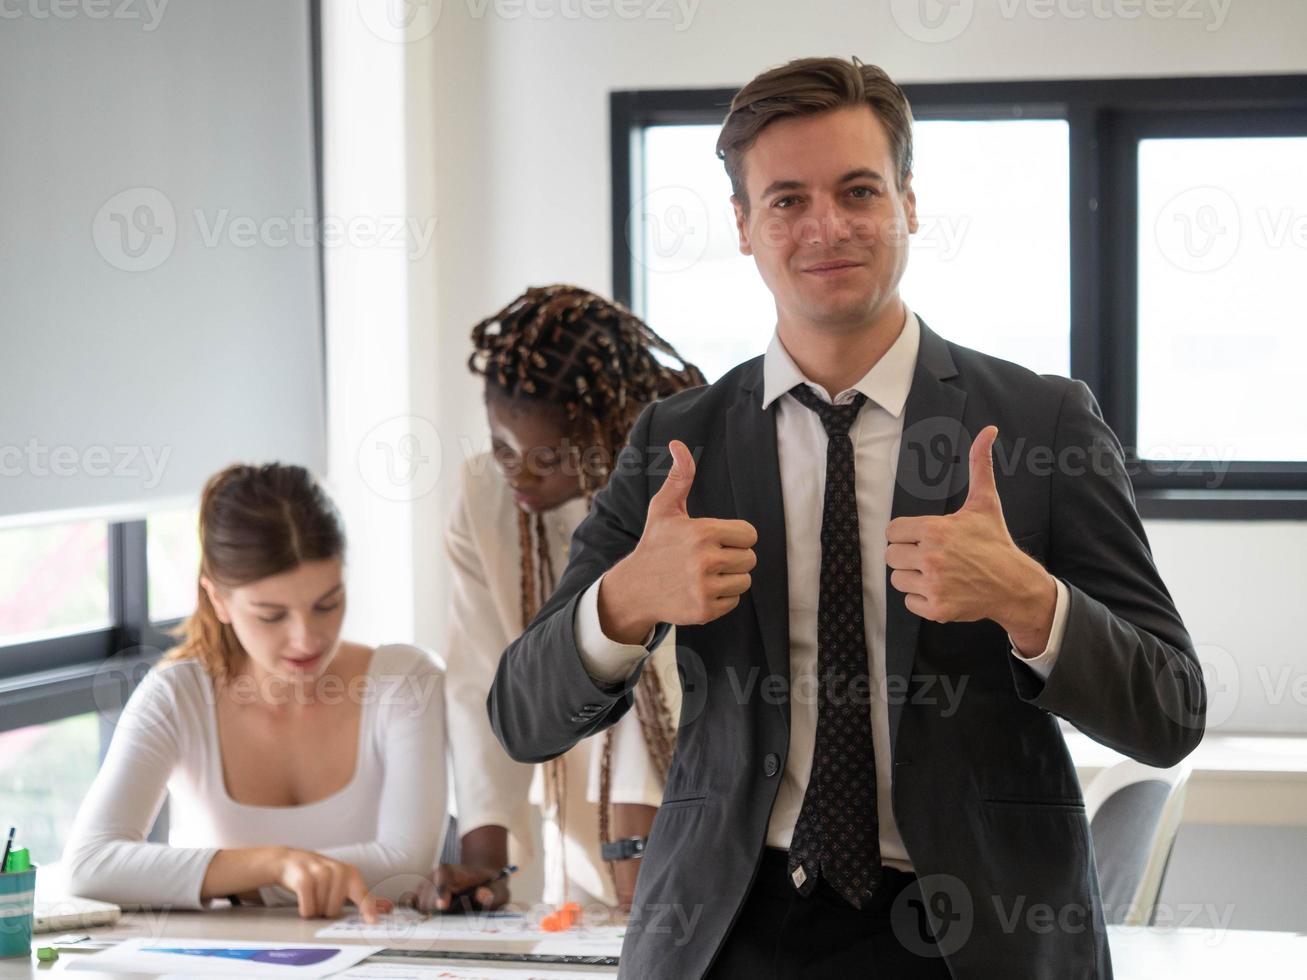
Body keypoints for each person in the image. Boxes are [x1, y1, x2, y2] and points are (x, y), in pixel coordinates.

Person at [488, 57, 1207, 979]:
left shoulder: (1040, 423)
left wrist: (1033, 603)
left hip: (975, 937)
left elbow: (1170, 713)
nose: (826, 225)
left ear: (908, 201)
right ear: (743, 228)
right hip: (730, 928)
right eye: (785, 200)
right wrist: (622, 603)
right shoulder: (678, 441)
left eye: (857, 189)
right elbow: (522, 715)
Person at [64, 463, 446, 921]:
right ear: (218, 600)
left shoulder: (405, 681)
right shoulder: (175, 696)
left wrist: (233, 882)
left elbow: (405, 864)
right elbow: (90, 865)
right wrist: (274, 863)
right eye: (271, 615)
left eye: (327, 604)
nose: (306, 638)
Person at [433, 285, 704, 914]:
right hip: (579, 840)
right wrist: (484, 855)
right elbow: (480, 678)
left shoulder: (679, 482)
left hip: (685, 824)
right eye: (502, 447)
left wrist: (636, 841)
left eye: (547, 459)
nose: (518, 475)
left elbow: (665, 679)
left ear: (603, 440)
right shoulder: (484, 499)